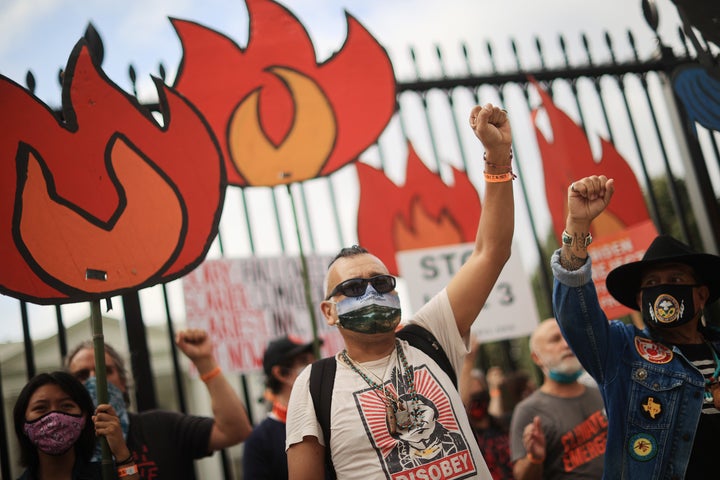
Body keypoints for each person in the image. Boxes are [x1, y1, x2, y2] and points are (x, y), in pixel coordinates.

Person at [286, 103, 515, 480]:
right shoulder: (314, 386)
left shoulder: (429, 335)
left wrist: (497, 158)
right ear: (329, 311)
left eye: (382, 282)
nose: (372, 292)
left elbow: (492, 252)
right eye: (354, 287)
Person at [551, 174, 720, 479]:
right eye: (652, 284)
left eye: (676, 280)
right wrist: (577, 225)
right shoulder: (623, 351)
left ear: (702, 294)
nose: (664, 291)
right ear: (641, 301)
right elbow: (576, 317)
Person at [65, 328, 252, 479]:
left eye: (105, 371)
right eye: (82, 375)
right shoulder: (62, 446)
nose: (95, 380)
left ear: (123, 381)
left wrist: (204, 362)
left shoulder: (161, 426)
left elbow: (235, 430)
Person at [509, 318, 607, 479]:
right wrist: (534, 458)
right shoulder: (528, 410)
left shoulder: (601, 392)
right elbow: (521, 476)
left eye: (568, 336)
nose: (567, 344)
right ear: (536, 358)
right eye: (555, 339)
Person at [13, 371, 139, 480]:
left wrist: (122, 454)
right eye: (41, 408)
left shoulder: (106, 475)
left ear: (84, 418)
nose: (54, 417)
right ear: (23, 424)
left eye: (66, 405)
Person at [242, 335, 319, 479]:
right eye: (304, 361)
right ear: (282, 373)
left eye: (313, 358)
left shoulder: (329, 416)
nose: (314, 365)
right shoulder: (259, 440)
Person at [459, 342, 515, 480]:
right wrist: (469, 360)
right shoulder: (466, 436)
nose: (477, 399)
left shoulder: (504, 425)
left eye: (479, 391)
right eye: (471, 396)